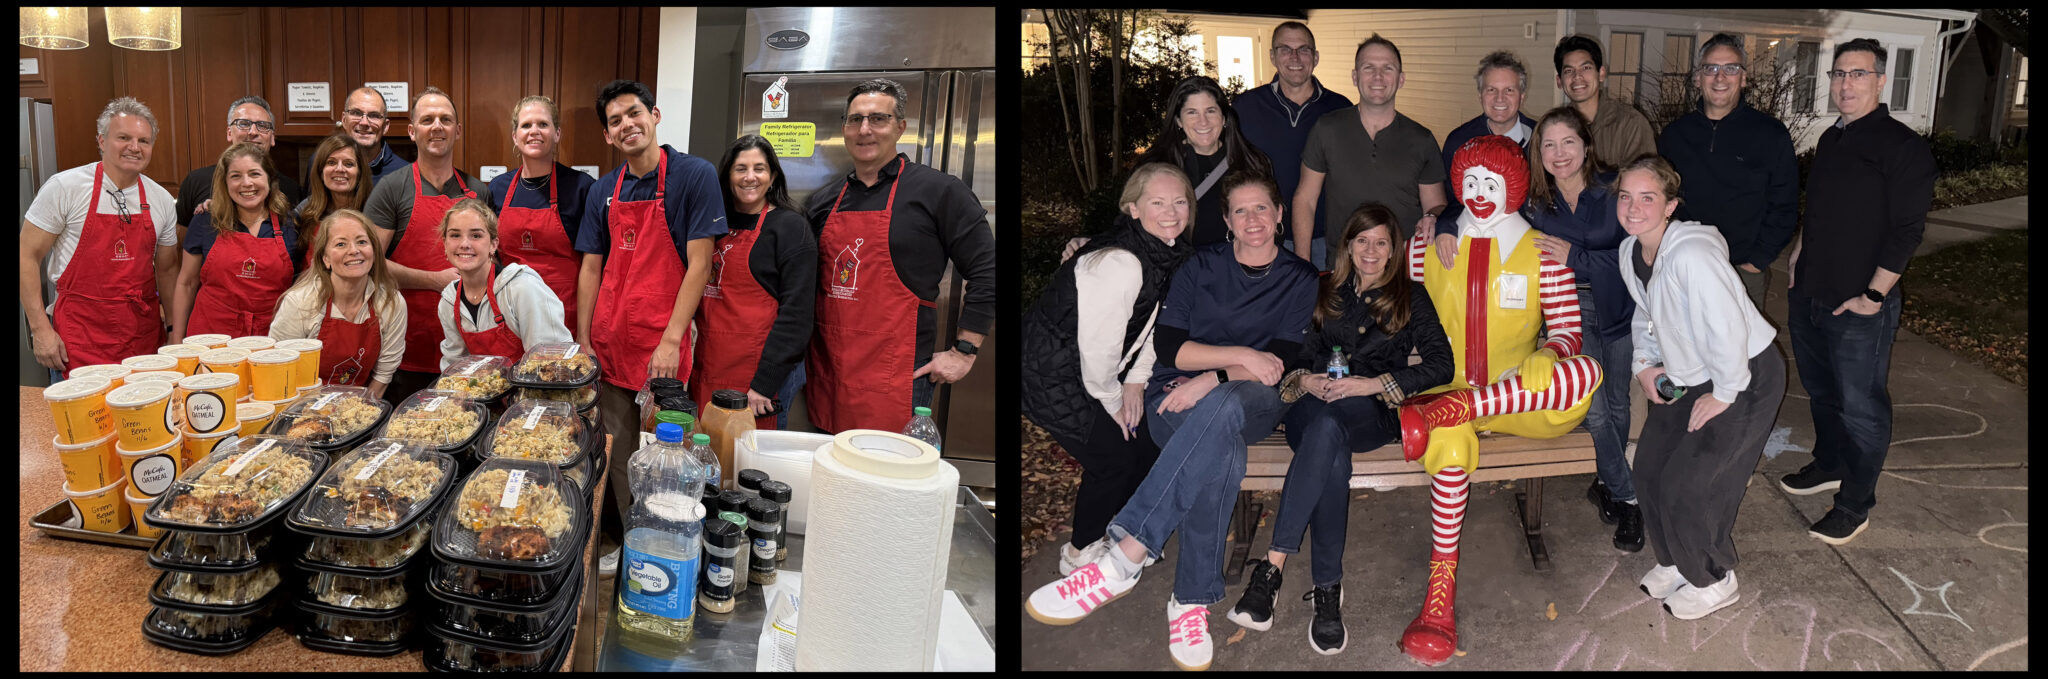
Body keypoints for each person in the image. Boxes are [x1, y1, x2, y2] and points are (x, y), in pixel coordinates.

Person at [1025, 171, 1317, 672]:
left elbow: (1280, 362)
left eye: (1262, 209)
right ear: (1225, 221)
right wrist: (1234, 361)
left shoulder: (1301, 278)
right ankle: (1190, 603)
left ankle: (1127, 553)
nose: (1253, 220)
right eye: (1240, 211)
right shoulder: (1197, 264)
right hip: (1173, 395)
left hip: (1252, 400)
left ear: (1279, 215)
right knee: (1219, 446)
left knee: (1223, 406)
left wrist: (1214, 374)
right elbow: (1169, 346)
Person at [1395, 135, 1605, 666]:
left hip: (1515, 397)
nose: (1481, 194)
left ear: (1513, 188)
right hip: (1443, 389)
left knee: (1586, 374)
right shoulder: (1424, 246)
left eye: (1492, 184)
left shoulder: (1544, 251)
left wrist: (1553, 351)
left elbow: (1568, 333)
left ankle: (1463, 408)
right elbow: (1399, 316)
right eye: (1470, 183)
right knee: (1448, 449)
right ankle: (1437, 600)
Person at [1225, 203, 1453, 655]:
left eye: (1381, 242)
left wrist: (1372, 383)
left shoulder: (1411, 296)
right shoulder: (1320, 288)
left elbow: (1441, 363)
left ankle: (1271, 570)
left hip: (1370, 413)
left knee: (1330, 431)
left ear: (1394, 250)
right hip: (1310, 407)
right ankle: (1327, 592)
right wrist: (1306, 379)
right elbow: (1291, 351)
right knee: (1328, 439)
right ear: (1348, 244)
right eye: (1362, 240)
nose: (1371, 250)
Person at [1614, 154, 1786, 621]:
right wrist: (1646, 366)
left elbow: (1728, 325)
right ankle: (1676, 561)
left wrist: (1725, 393)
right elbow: (1645, 316)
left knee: (1690, 485)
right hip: (1688, 374)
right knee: (1648, 471)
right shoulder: (1631, 252)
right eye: (1626, 196)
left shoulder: (1692, 253)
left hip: (1743, 375)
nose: (1633, 207)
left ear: (1670, 206)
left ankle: (1714, 577)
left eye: (1647, 197)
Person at [1779, 38, 1937, 545]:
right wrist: (1801, 248)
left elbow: (1908, 230)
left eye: (1858, 74)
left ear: (1880, 80)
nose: (1846, 84)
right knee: (1823, 393)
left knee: (1861, 406)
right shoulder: (1831, 138)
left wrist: (1874, 295)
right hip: (1810, 294)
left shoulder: (1902, 147)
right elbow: (1823, 206)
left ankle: (1855, 502)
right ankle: (1829, 463)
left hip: (1859, 304)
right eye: (1839, 74)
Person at [578, 79, 726, 575]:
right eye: (615, 120)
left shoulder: (692, 175)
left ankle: (674, 551)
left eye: (634, 113)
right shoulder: (604, 189)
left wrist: (670, 341)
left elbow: (699, 265)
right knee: (620, 456)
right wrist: (582, 338)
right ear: (608, 135)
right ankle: (637, 548)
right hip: (609, 347)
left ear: (655, 115)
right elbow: (592, 269)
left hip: (660, 351)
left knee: (667, 457)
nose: (627, 125)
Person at [1021, 163, 1194, 580]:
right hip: (1050, 374)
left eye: (1179, 201)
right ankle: (1079, 554)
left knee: (1146, 443)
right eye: (1157, 202)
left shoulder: (1166, 252)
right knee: (1114, 457)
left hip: (1088, 371)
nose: (1170, 211)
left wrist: (1136, 382)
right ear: (1133, 209)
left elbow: (1158, 326)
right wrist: (1116, 401)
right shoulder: (1120, 262)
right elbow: (1098, 352)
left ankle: (1125, 533)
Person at [803, 77, 997, 433]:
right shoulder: (822, 201)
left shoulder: (939, 192)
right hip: (829, 372)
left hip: (899, 378)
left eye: (878, 119)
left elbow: (989, 271)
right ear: (845, 128)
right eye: (855, 119)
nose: (865, 130)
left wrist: (964, 350)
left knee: (889, 480)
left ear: (900, 127)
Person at [21, 97, 180, 381]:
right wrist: (40, 330)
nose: (135, 147)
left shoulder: (162, 200)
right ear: (102, 141)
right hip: (79, 341)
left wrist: (174, 332)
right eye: (124, 137)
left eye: (143, 140)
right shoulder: (65, 187)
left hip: (142, 342)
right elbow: (26, 255)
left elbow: (167, 272)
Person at [363, 86, 494, 405]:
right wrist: (434, 281)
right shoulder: (392, 188)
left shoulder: (477, 190)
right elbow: (369, 264)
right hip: (405, 346)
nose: (437, 126)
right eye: (427, 119)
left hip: (466, 347)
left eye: (445, 119)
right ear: (412, 131)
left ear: (458, 130)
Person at [1657, 33, 1801, 317]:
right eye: (1710, 68)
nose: (1720, 77)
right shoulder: (1674, 136)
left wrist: (1756, 262)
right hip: (1684, 267)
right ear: (1698, 78)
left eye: (1731, 68)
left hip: (1743, 271)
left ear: (1744, 78)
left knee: (1741, 356)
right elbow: (1660, 200)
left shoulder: (1770, 135)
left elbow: (1784, 205)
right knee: (1683, 351)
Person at [692, 135, 817, 431]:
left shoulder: (790, 228)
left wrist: (764, 384)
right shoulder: (710, 225)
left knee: (750, 466)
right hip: (707, 368)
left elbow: (797, 316)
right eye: (740, 169)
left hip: (757, 381)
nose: (750, 177)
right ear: (727, 176)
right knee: (707, 456)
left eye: (759, 169)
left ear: (772, 176)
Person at [1294, 34, 1447, 271]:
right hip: (1342, 267)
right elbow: (1306, 200)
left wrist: (1434, 217)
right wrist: (1302, 265)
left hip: (1402, 271)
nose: (1378, 77)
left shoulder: (1422, 139)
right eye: (1368, 68)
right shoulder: (1327, 129)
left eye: (1388, 68)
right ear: (1355, 77)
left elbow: (1435, 205)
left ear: (1401, 79)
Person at [1233, 21, 1353, 265]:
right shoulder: (1245, 107)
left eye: (1304, 49)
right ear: (1272, 56)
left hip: (1325, 238)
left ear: (1316, 57)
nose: (1295, 57)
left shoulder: (1340, 108)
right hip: (1261, 236)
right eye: (1285, 49)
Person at [268, 209, 407, 398]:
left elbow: (384, 374)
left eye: (362, 242)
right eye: (341, 244)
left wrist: (361, 414)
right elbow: (280, 370)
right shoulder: (300, 303)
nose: (354, 250)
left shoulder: (391, 302)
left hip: (359, 406)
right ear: (325, 259)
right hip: (301, 408)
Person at [170, 143, 302, 341]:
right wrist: (176, 339)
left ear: (270, 179)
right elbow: (187, 283)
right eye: (236, 176)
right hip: (211, 335)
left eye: (255, 174)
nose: (246, 183)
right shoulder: (206, 220)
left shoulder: (290, 225)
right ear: (225, 182)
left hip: (271, 336)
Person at [488, 95, 595, 334]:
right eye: (526, 125)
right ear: (515, 136)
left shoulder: (581, 187)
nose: (534, 131)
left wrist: (584, 333)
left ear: (557, 134)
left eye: (543, 124)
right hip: (510, 314)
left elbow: (593, 265)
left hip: (564, 314)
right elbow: (489, 254)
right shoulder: (498, 188)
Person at [1137, 76, 1273, 249]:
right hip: (1179, 269)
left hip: (1238, 267)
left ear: (1224, 117)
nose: (1203, 121)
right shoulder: (1154, 167)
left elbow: (1270, 219)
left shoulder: (1252, 162)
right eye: (1192, 112)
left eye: (1210, 111)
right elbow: (1136, 226)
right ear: (1178, 120)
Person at [435, 198, 572, 366]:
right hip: (483, 391)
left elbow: (553, 363)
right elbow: (455, 366)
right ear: (445, 244)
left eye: (476, 235)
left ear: (493, 245)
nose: (464, 244)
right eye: (455, 235)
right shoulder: (449, 301)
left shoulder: (522, 288)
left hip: (536, 389)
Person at [175, 96, 305, 243]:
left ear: (272, 137)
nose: (253, 131)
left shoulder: (292, 188)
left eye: (263, 125)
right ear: (229, 133)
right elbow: (181, 243)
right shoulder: (196, 181)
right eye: (244, 124)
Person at [1437, 51, 1539, 228]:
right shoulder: (1458, 141)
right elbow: (1450, 201)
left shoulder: (1542, 139)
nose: (1500, 98)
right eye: (1491, 90)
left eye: (1509, 90)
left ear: (1522, 96)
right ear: (1480, 95)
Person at [1554, 35, 1657, 170]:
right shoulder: (1555, 127)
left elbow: (1645, 181)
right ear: (1559, 81)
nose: (1577, 76)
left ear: (1601, 73)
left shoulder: (1630, 124)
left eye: (1586, 68)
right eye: (1568, 71)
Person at [296, 134, 373, 269]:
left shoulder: (374, 210)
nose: (339, 169)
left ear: (360, 172)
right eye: (331, 162)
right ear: (321, 171)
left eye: (348, 164)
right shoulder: (304, 210)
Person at [337, 86, 409, 186]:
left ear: (385, 126)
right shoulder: (323, 165)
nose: (364, 123)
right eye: (356, 113)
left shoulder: (405, 175)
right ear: (344, 120)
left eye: (374, 115)